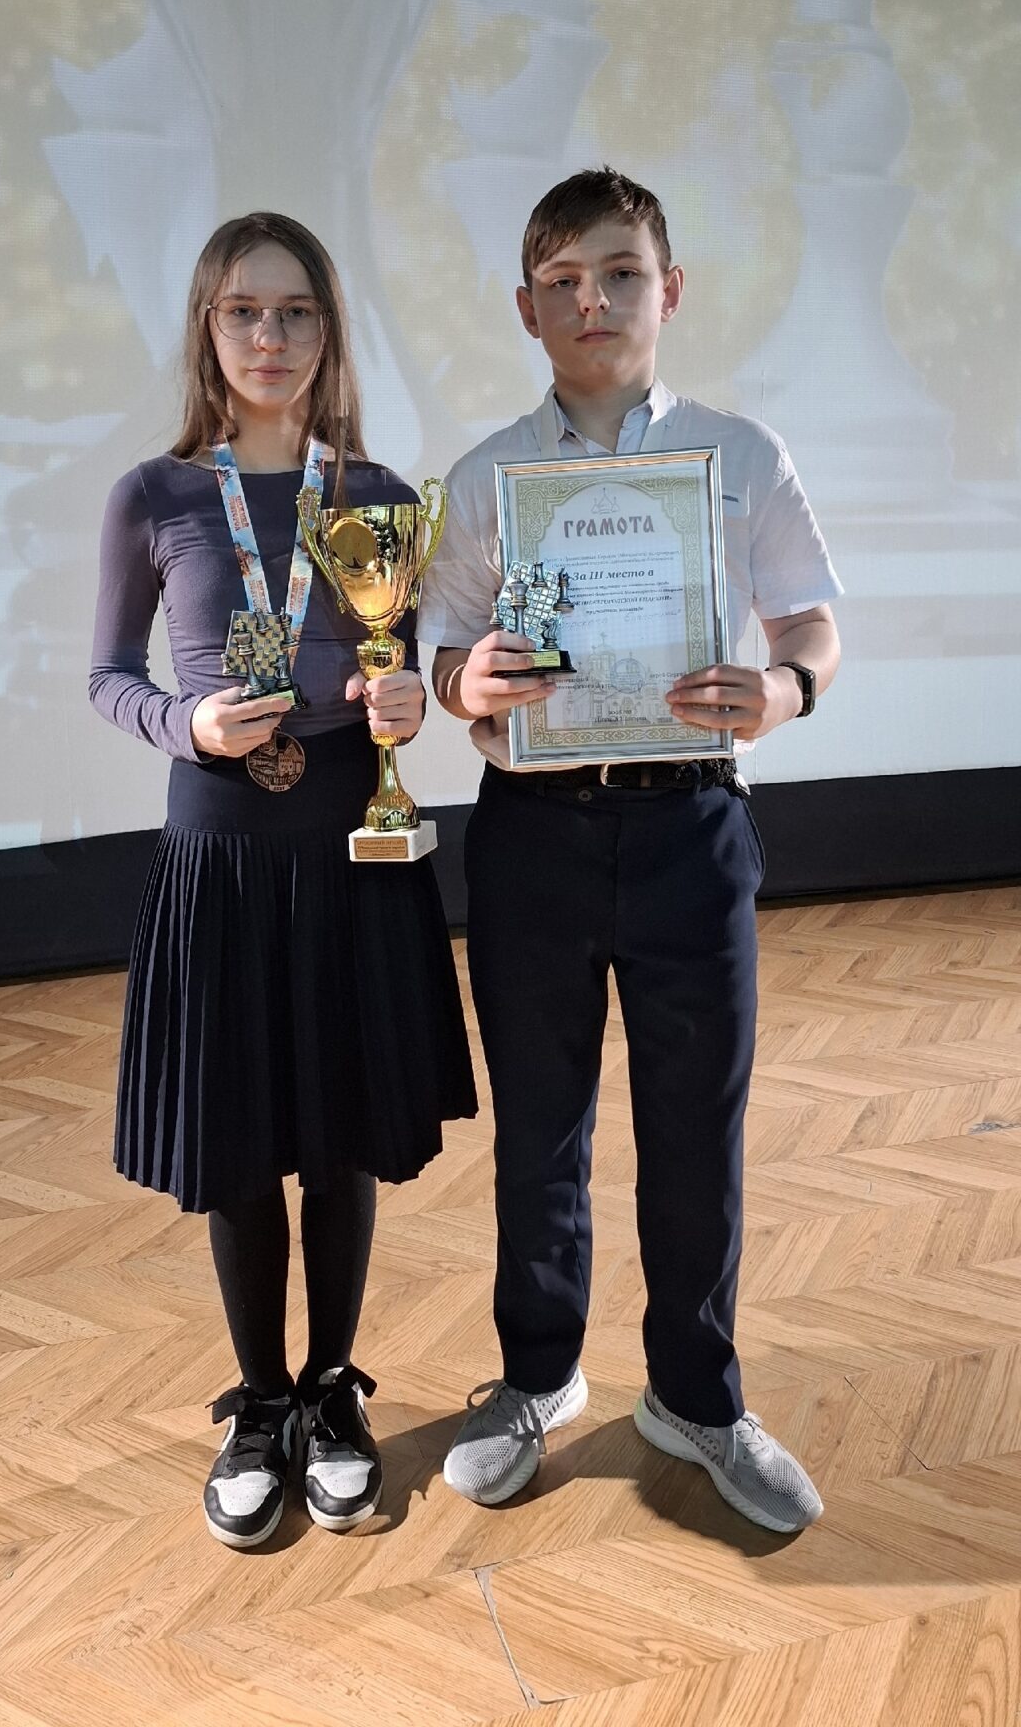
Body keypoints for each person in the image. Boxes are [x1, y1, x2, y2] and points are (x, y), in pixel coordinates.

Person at [417, 168, 841, 1534]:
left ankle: (697, 1397)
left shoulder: (741, 454)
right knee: (540, 1127)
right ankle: (538, 1378)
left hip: (692, 827)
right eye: (562, 280)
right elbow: (441, 653)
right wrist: (466, 682)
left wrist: (783, 692)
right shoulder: (487, 476)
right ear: (525, 307)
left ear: (671, 289)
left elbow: (812, 622)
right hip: (532, 833)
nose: (591, 299)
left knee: (696, 1130)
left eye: (618, 271)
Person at [90, 212, 476, 1549]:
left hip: (349, 850)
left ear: (329, 331)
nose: (270, 336)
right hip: (221, 856)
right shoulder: (153, 495)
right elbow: (108, 677)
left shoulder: (381, 497)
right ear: (208, 327)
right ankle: (260, 1403)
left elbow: (396, 673)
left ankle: (332, 1390)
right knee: (242, 1140)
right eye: (244, 310)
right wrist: (183, 723)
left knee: (343, 1133)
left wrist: (403, 703)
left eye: (297, 310)